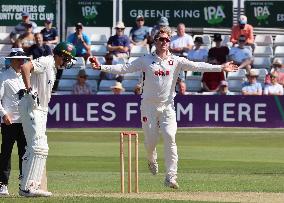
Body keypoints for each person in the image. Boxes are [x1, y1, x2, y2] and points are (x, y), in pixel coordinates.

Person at [90, 26, 237, 189]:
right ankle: (151, 158)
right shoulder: (146, 60)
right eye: (161, 39)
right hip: (148, 106)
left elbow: (197, 66)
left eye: (167, 40)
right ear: (156, 41)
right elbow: (125, 68)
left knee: (170, 136)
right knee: (151, 142)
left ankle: (171, 177)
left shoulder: (176, 61)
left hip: (168, 106)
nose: (165, 42)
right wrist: (101, 67)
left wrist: (220, 67)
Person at [17, 42, 77, 197]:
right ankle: (28, 187)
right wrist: (29, 89)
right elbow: (25, 67)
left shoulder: (53, 68)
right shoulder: (46, 61)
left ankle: (30, 185)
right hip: (32, 106)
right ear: (60, 55)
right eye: (67, 58)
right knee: (38, 147)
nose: (68, 62)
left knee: (38, 148)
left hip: (41, 109)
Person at [0, 48, 29, 196]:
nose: (21, 62)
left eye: (23, 59)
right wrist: (4, 115)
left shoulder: (27, 75)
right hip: (9, 122)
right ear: (12, 60)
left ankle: (24, 184)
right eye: (18, 59)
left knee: (24, 153)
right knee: (6, 153)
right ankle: (3, 184)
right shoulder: (3, 76)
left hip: (25, 122)